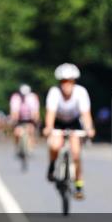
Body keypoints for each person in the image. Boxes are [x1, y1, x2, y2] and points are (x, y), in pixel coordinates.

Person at [43, 63, 96, 199]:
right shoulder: (54, 92)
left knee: (76, 153)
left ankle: (79, 186)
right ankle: (52, 165)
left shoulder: (81, 92)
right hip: (58, 122)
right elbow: (50, 113)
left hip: (74, 123)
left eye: (70, 81)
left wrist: (89, 129)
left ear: (74, 82)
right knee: (55, 145)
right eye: (64, 82)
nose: (67, 85)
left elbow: (85, 114)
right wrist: (48, 128)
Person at [9, 83, 40, 156]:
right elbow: (14, 111)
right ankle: (17, 146)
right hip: (19, 119)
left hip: (30, 119)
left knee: (31, 130)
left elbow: (35, 111)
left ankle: (30, 147)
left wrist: (35, 119)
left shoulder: (32, 97)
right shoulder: (15, 98)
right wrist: (14, 120)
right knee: (17, 133)